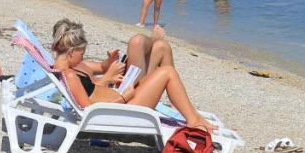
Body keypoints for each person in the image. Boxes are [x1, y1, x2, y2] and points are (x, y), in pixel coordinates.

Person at [49, 19, 211, 130]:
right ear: (71, 51)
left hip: (123, 100)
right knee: (167, 72)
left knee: (161, 47)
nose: (82, 57)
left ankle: (189, 113)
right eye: (81, 53)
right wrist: (124, 97)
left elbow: (91, 94)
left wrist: (115, 85)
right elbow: (90, 111)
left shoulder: (64, 70)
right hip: (126, 108)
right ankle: (193, 120)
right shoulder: (69, 75)